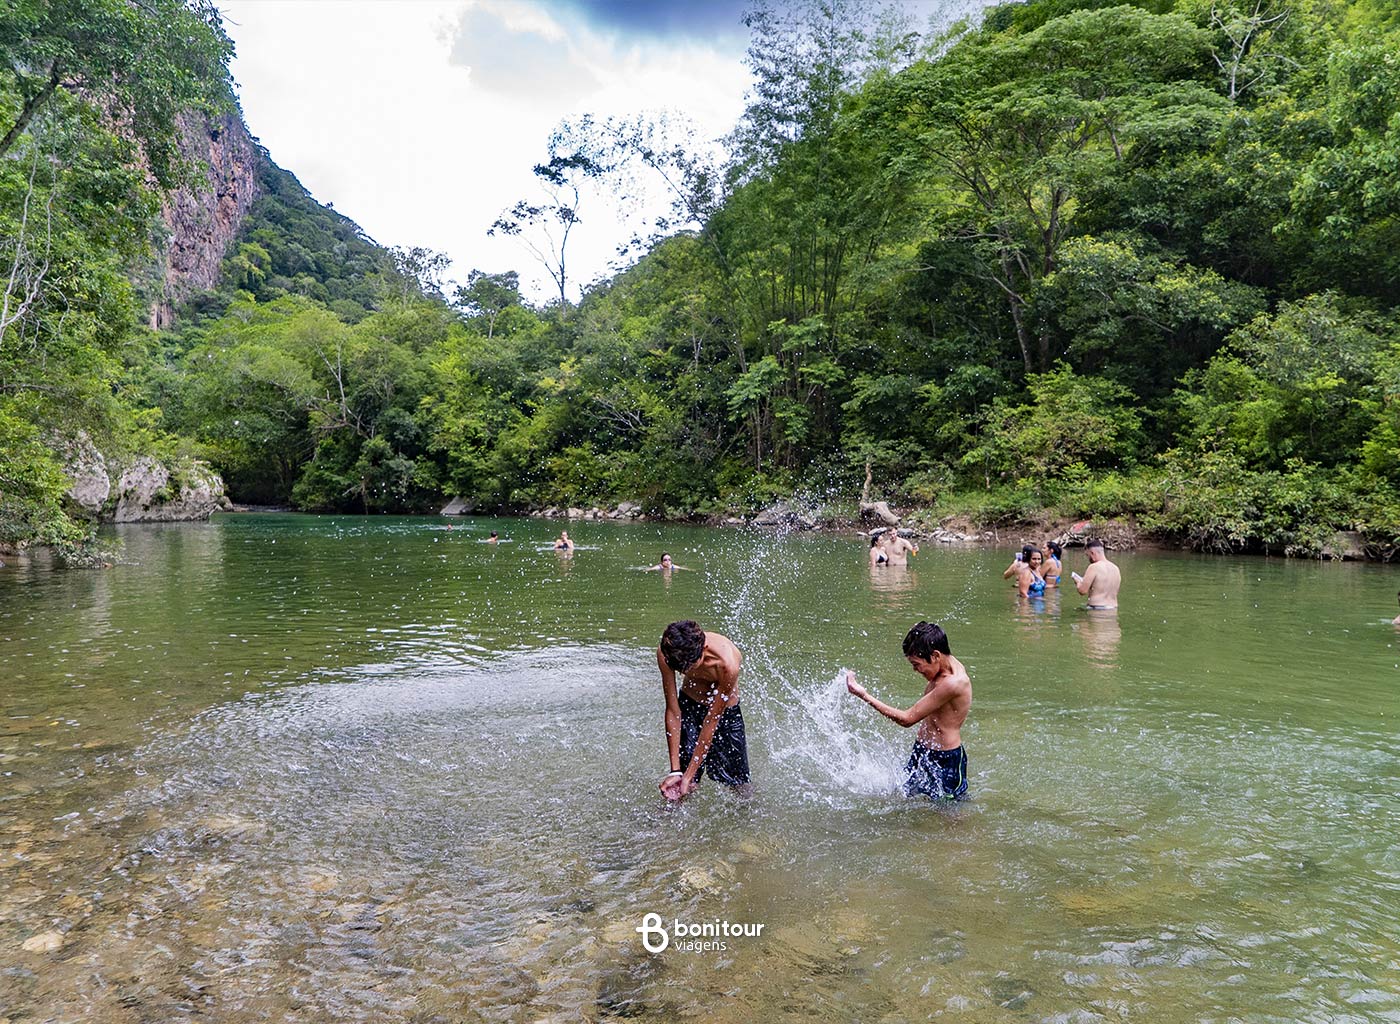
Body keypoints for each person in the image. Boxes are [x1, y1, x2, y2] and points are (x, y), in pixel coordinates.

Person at [845, 621, 972, 801]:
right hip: (921, 751)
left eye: (917, 664)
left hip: (945, 760)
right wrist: (916, 633)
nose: (915, 670)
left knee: (948, 814)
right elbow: (930, 636)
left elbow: (907, 719)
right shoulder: (943, 659)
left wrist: (864, 695)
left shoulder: (953, 683)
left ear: (935, 655)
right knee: (907, 800)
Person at [657, 621, 750, 801]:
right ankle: (669, 821)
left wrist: (690, 774)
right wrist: (676, 771)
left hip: (725, 715)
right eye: (680, 670)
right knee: (678, 784)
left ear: (704, 648)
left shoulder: (727, 663)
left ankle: (747, 820)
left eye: (690, 668)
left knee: (738, 785)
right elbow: (673, 710)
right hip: (691, 703)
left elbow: (712, 719)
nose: (684, 674)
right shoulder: (667, 652)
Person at [1072, 539, 1121, 610]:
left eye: (1087, 555)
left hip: (1097, 608)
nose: (1088, 558)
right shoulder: (1116, 568)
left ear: (1092, 553)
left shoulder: (1094, 567)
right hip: (1113, 609)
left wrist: (1077, 581)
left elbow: (1082, 591)